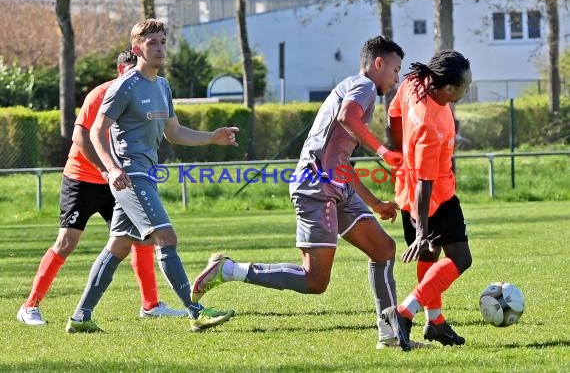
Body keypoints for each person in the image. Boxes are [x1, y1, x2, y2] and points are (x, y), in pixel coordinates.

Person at [191, 35, 411, 349]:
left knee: (383, 249)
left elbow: (341, 159)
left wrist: (374, 203)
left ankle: (390, 337)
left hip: (336, 184)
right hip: (316, 185)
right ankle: (228, 270)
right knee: (315, 281)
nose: (396, 78)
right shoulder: (363, 87)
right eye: (395, 70)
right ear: (378, 64)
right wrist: (382, 151)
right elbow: (346, 117)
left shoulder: (354, 87)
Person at [65, 18, 239, 333]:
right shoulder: (125, 86)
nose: (159, 48)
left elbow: (174, 132)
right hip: (131, 175)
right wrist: (112, 168)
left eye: (162, 42)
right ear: (137, 49)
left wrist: (212, 137)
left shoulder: (163, 86)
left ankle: (80, 317)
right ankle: (195, 312)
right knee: (166, 238)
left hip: (145, 174)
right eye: (151, 43)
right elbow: (96, 132)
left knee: (118, 246)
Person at [17, 49, 185, 327]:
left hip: (118, 179)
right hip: (83, 179)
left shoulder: (147, 90)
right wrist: (107, 169)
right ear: (122, 71)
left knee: (140, 236)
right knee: (67, 243)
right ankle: (30, 306)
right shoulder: (102, 94)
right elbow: (81, 136)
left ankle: (151, 305)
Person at [381, 50, 473, 351]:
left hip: (411, 192)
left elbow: (393, 113)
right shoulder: (428, 126)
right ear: (448, 88)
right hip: (434, 197)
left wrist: (398, 150)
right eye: (465, 86)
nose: (467, 90)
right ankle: (404, 312)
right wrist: (421, 232)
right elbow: (425, 183)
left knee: (430, 257)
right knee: (460, 258)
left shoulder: (413, 82)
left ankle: (435, 323)